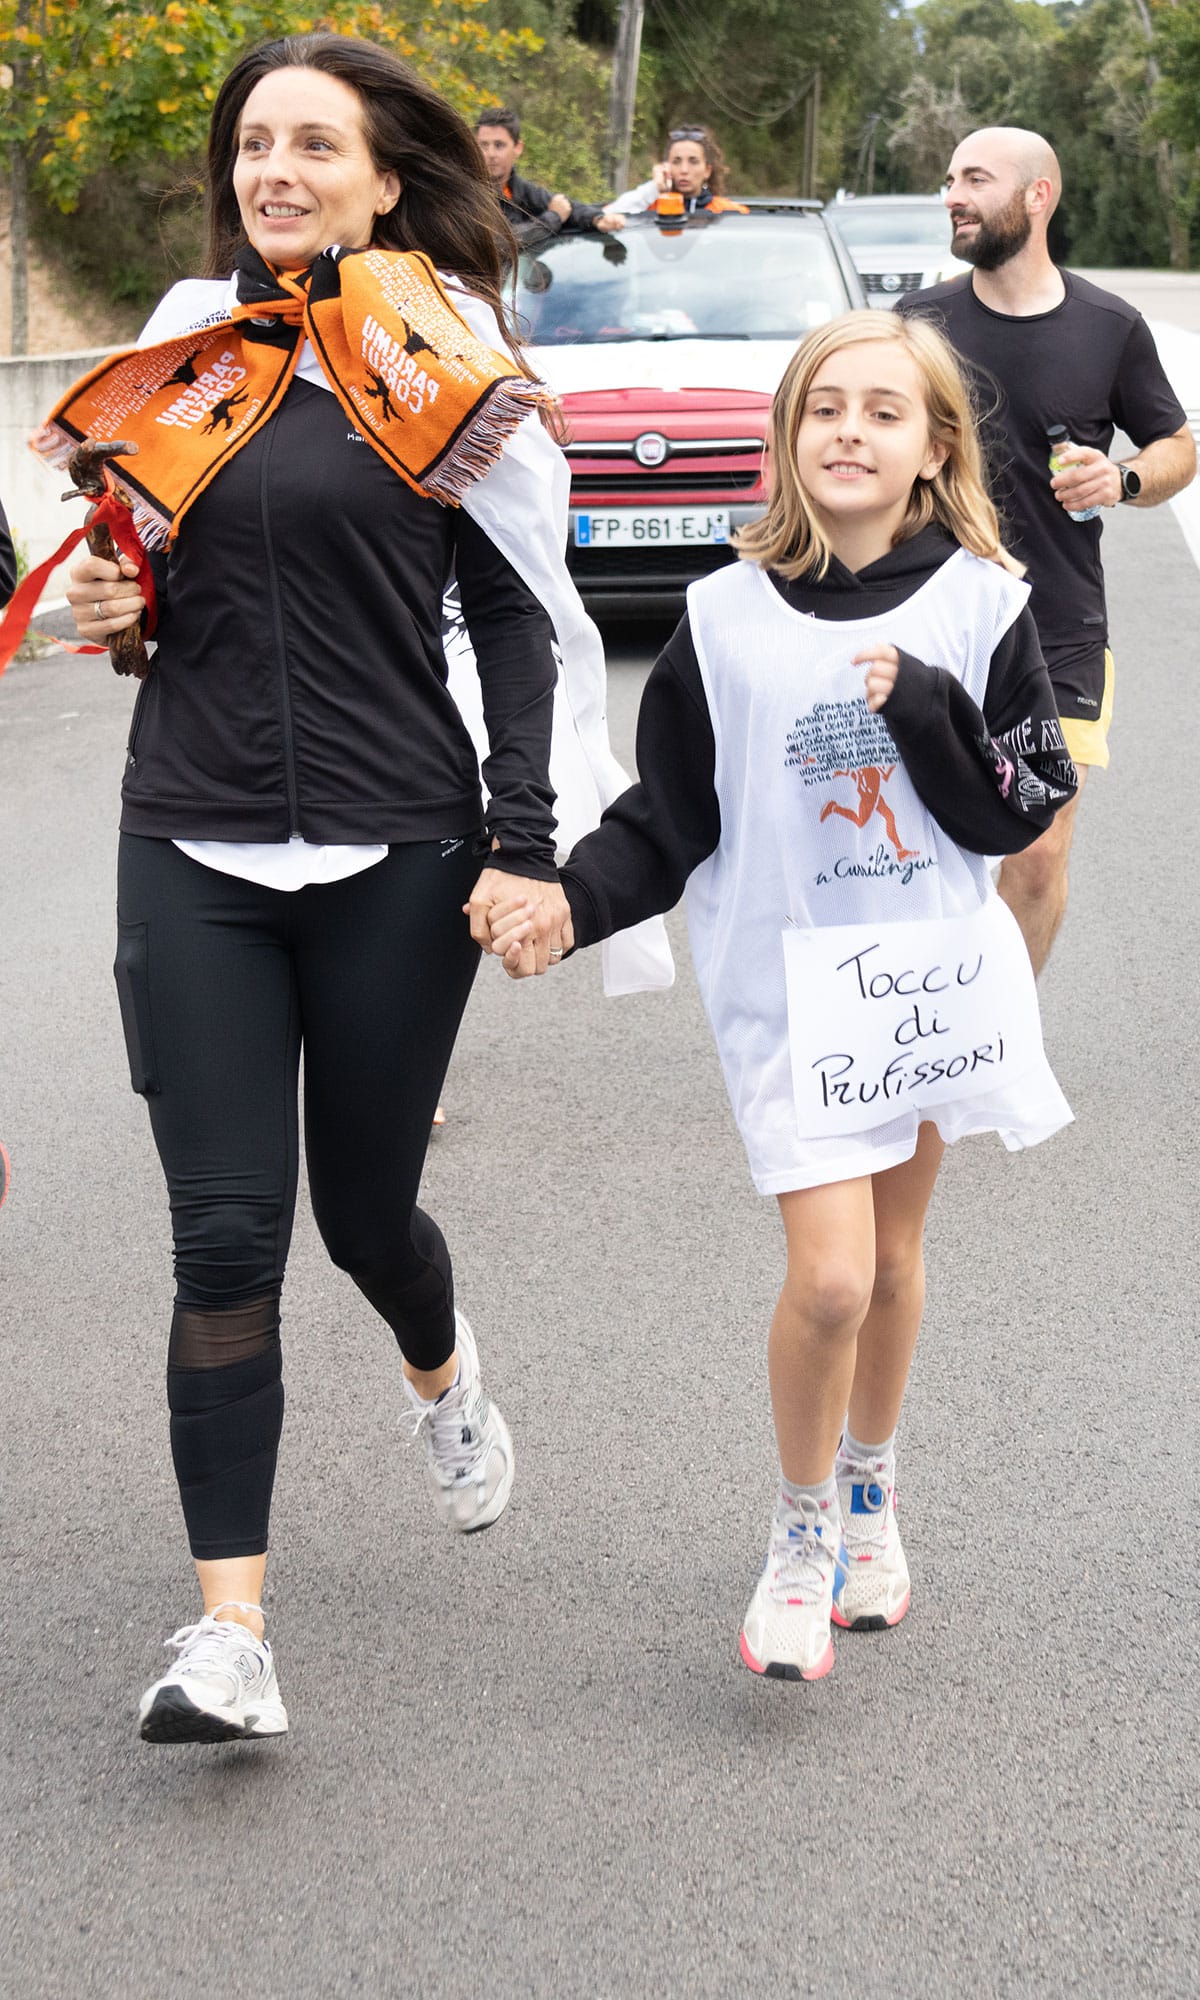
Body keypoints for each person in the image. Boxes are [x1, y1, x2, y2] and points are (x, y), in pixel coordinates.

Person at [49, 32, 583, 1746]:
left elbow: (514, 612)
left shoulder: (438, 347)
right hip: (191, 837)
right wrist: (117, 612)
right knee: (223, 1242)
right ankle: (231, 1638)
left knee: (364, 1217)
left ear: (381, 178)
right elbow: (146, 588)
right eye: (253, 144)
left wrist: (521, 839)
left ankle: (443, 1372)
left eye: (313, 144)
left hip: (396, 846)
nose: (274, 170)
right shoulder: (179, 350)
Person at [480, 310, 1079, 1680]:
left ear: (934, 449)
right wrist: (568, 904)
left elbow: (1023, 804)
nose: (848, 432)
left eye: (883, 411)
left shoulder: (981, 602)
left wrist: (925, 707)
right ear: (788, 436)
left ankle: (870, 1490)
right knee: (831, 1277)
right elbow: (667, 816)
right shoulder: (724, 617)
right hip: (786, 995)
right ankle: (801, 1527)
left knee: (896, 1261)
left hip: (918, 988)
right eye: (823, 408)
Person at [898, 126, 1196, 974]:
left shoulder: (1108, 326)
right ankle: (924, 1013)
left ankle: (1003, 1026)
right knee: (915, 844)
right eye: (949, 179)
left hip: (1054, 632)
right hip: (924, 622)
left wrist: (1122, 478)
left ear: (1037, 196)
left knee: (1034, 848)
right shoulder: (917, 324)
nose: (952, 196)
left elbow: (1175, 447)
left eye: (974, 180)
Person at [475, 106, 623, 248]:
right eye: (484, 145)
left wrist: (597, 219)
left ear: (518, 148)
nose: (490, 154)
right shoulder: (470, 193)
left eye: (499, 145)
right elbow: (498, 243)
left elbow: (563, 205)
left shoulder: (517, 188)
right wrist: (553, 218)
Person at [606, 124, 748, 219]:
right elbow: (605, 218)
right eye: (676, 161)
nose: (684, 170)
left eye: (693, 161)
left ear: (707, 170)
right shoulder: (648, 206)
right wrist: (654, 187)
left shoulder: (728, 213)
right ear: (666, 167)